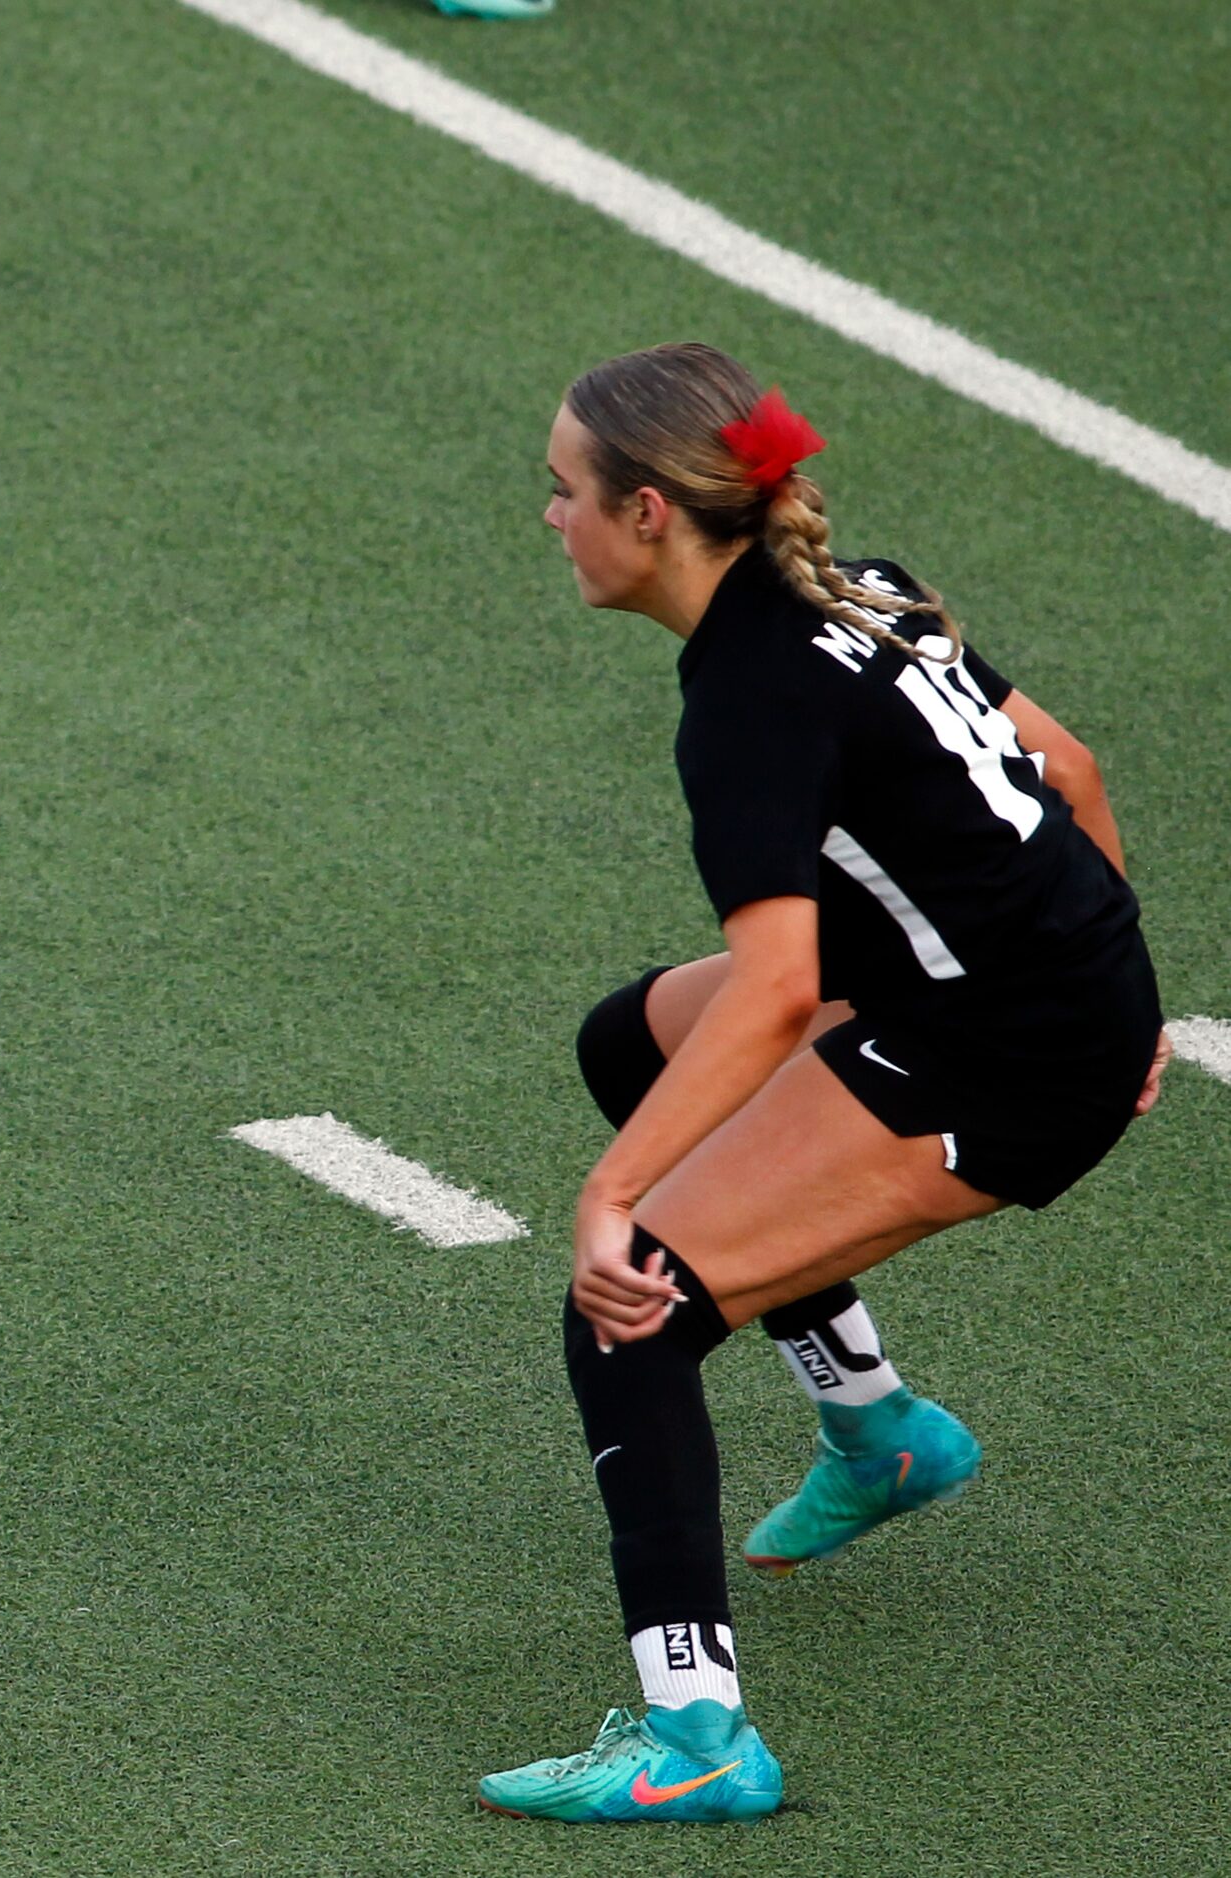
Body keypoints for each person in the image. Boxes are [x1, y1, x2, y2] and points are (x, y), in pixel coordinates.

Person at [479, 342, 1170, 1820]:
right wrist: (1126, 988)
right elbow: (1071, 768)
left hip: (1001, 1053)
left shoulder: (743, 701)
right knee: (630, 1042)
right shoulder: (857, 582)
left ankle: (696, 1740)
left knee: (631, 1303)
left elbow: (780, 988)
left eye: (563, 489)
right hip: (1040, 993)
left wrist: (610, 1196)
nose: (549, 515)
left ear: (652, 511)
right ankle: (878, 1431)